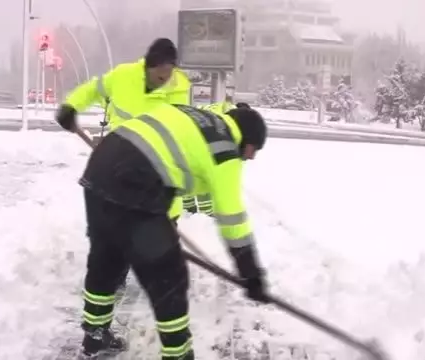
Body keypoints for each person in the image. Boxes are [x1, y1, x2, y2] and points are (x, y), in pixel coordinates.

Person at [55, 101, 270, 359]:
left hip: (100, 170)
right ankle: (177, 354)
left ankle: (95, 335)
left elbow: (165, 155)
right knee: (169, 275)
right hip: (136, 184)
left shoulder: (194, 116)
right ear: (246, 136)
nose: (251, 157)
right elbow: (232, 217)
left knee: (107, 258)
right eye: (253, 149)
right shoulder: (224, 148)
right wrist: (251, 273)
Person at [57, 38, 191, 290]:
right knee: (113, 244)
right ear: (147, 68)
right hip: (118, 174)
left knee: (158, 249)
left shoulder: (180, 91)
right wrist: (71, 105)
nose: (164, 81)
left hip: (159, 179)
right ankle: (111, 283)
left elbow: (180, 136)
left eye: (168, 75)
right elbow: (92, 89)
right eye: (159, 76)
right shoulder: (122, 77)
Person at [183, 101, 252, 215]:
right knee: (205, 174)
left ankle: (189, 208)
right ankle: (206, 214)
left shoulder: (223, 107)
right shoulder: (230, 117)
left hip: (184, 131)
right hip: (198, 136)